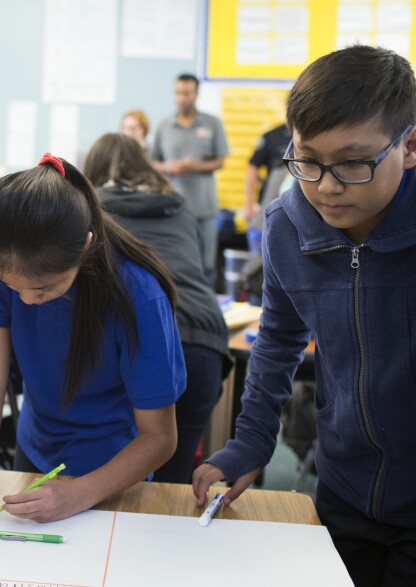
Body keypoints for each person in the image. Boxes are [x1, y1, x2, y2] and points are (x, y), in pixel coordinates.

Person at [192, 45, 416, 587]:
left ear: (409, 147)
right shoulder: (289, 226)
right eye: (307, 159)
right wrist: (251, 441)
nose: (325, 185)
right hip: (342, 486)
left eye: (354, 162)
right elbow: (277, 340)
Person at [0, 153, 185, 523]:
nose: (26, 300)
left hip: (114, 473)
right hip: (35, 449)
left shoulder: (139, 297)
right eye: (11, 287)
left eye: (44, 288)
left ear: (85, 245)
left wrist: (79, 494)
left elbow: (160, 438)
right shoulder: (4, 257)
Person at [84, 133, 229, 483]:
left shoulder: (91, 210)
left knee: (123, 484)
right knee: (171, 485)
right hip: (205, 342)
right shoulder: (179, 206)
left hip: (143, 341)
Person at [150, 73, 229, 286]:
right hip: (173, 209)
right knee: (174, 265)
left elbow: (220, 161)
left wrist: (197, 166)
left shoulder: (212, 124)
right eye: (177, 93)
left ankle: (208, 315)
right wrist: (167, 167)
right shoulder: (164, 126)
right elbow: (151, 162)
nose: (181, 98)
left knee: (207, 266)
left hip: (205, 210)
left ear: (195, 94)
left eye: (186, 93)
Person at [243, 122, 290, 228]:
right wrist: (248, 205)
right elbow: (253, 169)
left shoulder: (312, 135)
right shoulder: (272, 136)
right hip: (272, 199)